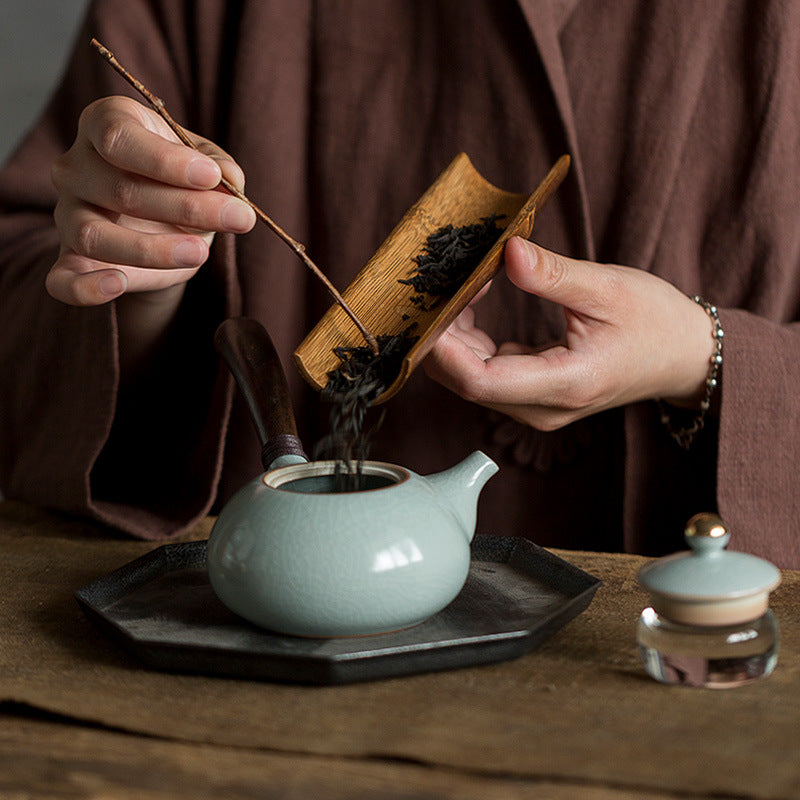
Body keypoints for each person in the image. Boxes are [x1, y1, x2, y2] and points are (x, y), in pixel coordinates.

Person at [1, 0, 799, 564]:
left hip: (686, 657)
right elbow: (27, 273)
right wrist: (141, 278)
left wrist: (702, 355)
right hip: (263, 679)